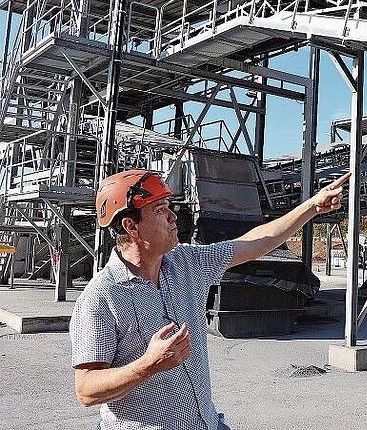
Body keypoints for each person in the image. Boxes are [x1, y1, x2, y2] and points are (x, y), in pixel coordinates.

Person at [70, 169, 350, 429]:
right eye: (160, 210)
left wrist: (311, 206)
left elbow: (254, 243)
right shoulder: (101, 297)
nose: (173, 217)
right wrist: (147, 365)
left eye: (170, 207)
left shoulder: (188, 263)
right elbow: (86, 390)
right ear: (131, 226)